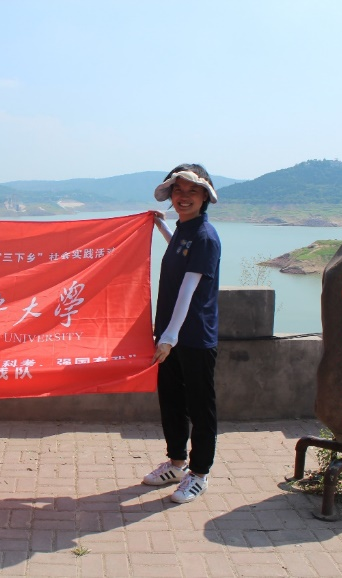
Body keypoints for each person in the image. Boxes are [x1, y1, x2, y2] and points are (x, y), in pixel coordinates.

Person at [142, 163, 221, 504]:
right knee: (172, 401)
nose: (183, 197)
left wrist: (169, 337)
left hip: (193, 338)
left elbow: (189, 289)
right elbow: (178, 248)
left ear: (205, 197)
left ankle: (199, 474)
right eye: (178, 190)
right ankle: (176, 464)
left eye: (192, 191)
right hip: (170, 337)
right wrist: (160, 225)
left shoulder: (205, 236)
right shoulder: (184, 232)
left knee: (200, 408)